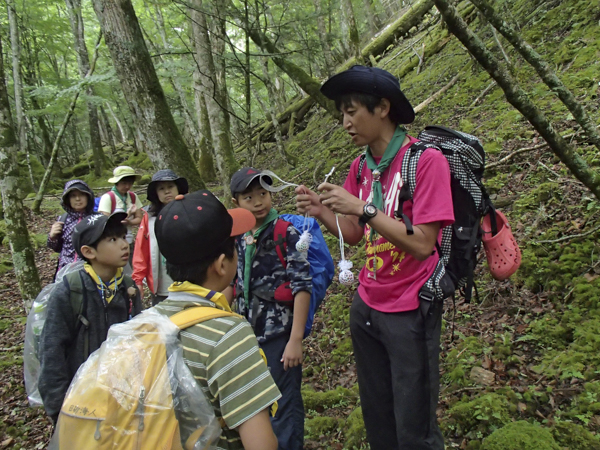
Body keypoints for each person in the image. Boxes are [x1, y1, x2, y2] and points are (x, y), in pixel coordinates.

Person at [295, 65, 454, 450]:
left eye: (352, 111)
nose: (345, 123)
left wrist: (363, 207)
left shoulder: (426, 160)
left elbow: (422, 244)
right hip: (367, 305)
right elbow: (354, 233)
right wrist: (322, 212)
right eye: (342, 115)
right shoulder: (360, 166)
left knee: (414, 423)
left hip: (411, 305)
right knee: (378, 416)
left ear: (382, 107)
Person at [153, 190, 280, 450]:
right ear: (222, 264)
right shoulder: (229, 335)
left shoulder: (148, 322)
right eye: (234, 244)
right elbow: (261, 444)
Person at [230, 167, 312, 450]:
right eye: (248, 196)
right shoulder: (238, 236)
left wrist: (295, 340)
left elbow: (302, 286)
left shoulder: (286, 232)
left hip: (280, 336)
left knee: (285, 405)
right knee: (256, 403)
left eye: (263, 194)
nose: (257, 201)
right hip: (247, 334)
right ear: (237, 203)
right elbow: (234, 282)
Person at [38, 212, 143, 424]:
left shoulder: (128, 288)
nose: (124, 245)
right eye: (113, 240)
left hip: (122, 400)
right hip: (79, 403)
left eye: (123, 237)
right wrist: (59, 410)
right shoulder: (70, 291)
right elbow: (52, 352)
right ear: (88, 251)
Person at [132, 169, 188, 305]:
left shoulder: (190, 211)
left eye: (170, 187)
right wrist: (138, 279)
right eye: (161, 189)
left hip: (190, 282)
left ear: (178, 188)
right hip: (162, 284)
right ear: (156, 194)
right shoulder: (149, 219)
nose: (167, 191)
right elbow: (141, 249)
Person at [97, 166, 143, 271]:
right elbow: (104, 221)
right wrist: (123, 218)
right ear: (116, 182)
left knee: (131, 271)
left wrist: (129, 222)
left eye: (130, 183)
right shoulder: (108, 198)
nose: (127, 186)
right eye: (124, 183)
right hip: (113, 242)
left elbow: (139, 218)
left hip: (129, 240)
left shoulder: (133, 197)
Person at [47, 179, 95, 273]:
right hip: (65, 270)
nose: (77, 199)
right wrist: (52, 237)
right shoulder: (63, 219)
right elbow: (57, 248)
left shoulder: (96, 219)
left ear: (88, 197)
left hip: (90, 270)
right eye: (73, 196)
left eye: (81, 194)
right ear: (67, 199)